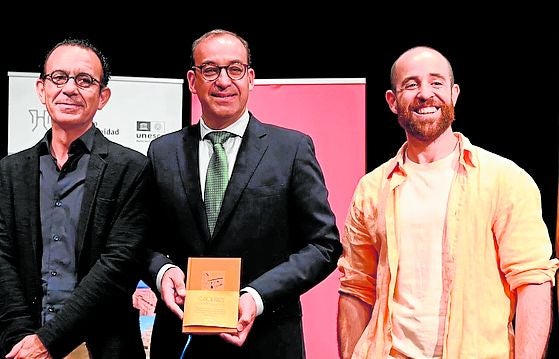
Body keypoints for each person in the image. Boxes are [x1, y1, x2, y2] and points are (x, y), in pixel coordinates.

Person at [337, 46, 559, 359]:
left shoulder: (505, 179)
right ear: (392, 101)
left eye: (437, 83)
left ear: (454, 94)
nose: (425, 93)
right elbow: (356, 288)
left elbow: (532, 282)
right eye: (411, 84)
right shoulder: (371, 189)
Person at [143, 29, 341, 359]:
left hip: (266, 339)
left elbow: (324, 244)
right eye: (210, 70)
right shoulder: (163, 152)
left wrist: (256, 296)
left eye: (234, 69)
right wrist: (162, 271)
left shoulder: (290, 149)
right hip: (180, 342)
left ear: (250, 78)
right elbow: (140, 239)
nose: (223, 81)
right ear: (193, 81)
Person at [0, 38, 150, 359]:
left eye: (84, 80)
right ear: (41, 90)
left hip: (98, 345)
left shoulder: (131, 169)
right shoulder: (10, 170)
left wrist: (48, 342)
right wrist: (22, 339)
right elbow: (4, 259)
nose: (69, 88)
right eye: (58, 78)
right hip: (22, 343)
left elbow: (117, 267)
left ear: (103, 96)